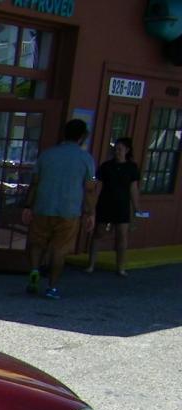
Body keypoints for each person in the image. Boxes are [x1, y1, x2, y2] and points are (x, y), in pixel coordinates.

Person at [21, 118, 97, 300]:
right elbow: (89, 189)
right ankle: (52, 287)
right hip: (69, 211)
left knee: (37, 244)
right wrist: (90, 212)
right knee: (59, 250)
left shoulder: (47, 155)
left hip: (43, 206)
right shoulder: (86, 159)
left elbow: (35, 183)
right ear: (82, 137)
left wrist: (27, 205)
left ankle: (34, 272)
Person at [87, 136, 142, 276]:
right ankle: (91, 264)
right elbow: (97, 185)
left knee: (122, 236)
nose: (116, 152)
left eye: (120, 149)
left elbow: (133, 188)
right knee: (98, 233)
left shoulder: (131, 167)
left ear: (127, 150)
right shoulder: (106, 166)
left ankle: (120, 267)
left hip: (122, 204)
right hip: (105, 202)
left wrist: (136, 208)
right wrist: (92, 205)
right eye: (115, 149)